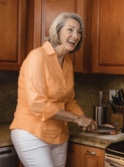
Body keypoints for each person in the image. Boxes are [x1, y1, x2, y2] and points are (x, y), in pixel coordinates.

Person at [10, 12, 97, 167]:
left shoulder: (67, 62)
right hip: (31, 132)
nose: (75, 36)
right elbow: (38, 104)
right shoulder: (37, 57)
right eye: (70, 30)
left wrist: (85, 120)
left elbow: (69, 101)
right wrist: (76, 119)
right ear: (57, 31)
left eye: (79, 32)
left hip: (59, 135)